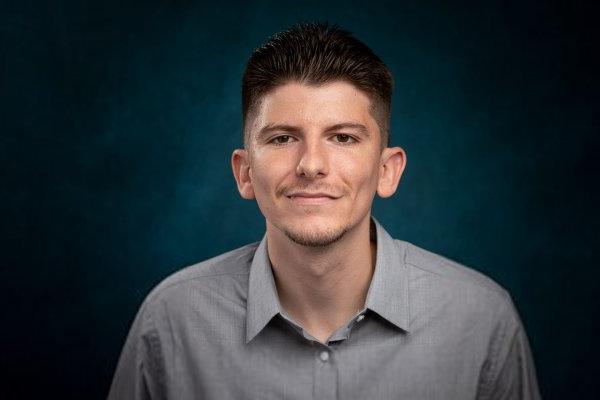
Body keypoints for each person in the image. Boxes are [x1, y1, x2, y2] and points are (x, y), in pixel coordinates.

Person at [108, 22, 541, 400]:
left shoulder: (481, 321)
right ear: (244, 173)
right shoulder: (172, 321)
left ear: (387, 171)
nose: (311, 164)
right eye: (281, 138)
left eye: (344, 137)